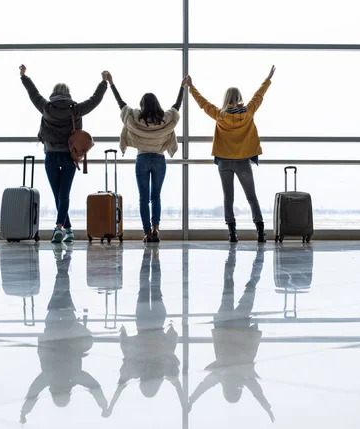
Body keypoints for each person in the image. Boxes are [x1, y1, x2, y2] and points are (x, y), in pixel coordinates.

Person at [184, 66, 276, 243]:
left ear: (226, 99)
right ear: (240, 98)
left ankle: (232, 232)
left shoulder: (219, 115)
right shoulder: (248, 113)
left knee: (228, 198)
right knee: (251, 197)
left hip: (224, 162)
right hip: (243, 161)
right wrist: (268, 78)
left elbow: (202, 103)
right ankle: (260, 231)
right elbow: (259, 95)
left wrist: (191, 87)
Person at [19, 65, 108, 243]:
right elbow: (95, 100)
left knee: (57, 194)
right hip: (70, 156)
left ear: (53, 93)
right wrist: (104, 82)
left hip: (51, 155)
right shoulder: (76, 110)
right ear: (68, 94)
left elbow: (33, 93)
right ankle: (66, 229)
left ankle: (60, 229)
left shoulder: (46, 107)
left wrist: (24, 76)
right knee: (63, 194)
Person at [20, 247, 108, 423]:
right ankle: (63, 266)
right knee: (60, 288)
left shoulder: (72, 375)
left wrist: (103, 404)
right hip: (53, 320)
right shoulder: (50, 376)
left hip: (67, 321)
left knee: (63, 288)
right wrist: (24, 412)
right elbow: (34, 392)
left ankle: (63, 265)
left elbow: (94, 386)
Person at [189, 248, 274, 422]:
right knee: (229, 286)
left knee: (249, 287)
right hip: (225, 325)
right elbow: (203, 386)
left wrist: (266, 407)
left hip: (238, 326)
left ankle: (252, 260)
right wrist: (191, 400)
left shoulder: (240, 376)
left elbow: (256, 390)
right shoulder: (221, 375)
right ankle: (232, 258)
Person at [104, 72, 187, 243]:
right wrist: (182, 87)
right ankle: (156, 229)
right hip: (159, 159)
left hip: (142, 159)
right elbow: (177, 106)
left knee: (143, 198)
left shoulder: (135, 118)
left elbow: (121, 105)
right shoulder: (165, 120)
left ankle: (147, 233)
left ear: (142, 105)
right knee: (156, 196)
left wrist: (111, 83)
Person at [103, 247, 186, 417]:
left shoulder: (164, 369)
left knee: (155, 287)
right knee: (144, 287)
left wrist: (184, 403)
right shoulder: (137, 370)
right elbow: (120, 387)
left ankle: (153, 257)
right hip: (142, 321)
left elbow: (178, 386)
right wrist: (110, 406)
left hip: (158, 320)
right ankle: (147, 257)